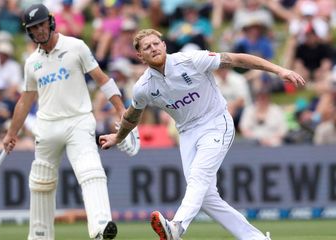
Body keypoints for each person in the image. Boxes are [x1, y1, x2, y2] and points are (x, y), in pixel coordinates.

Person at [99, 29, 306, 240]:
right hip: (187, 133)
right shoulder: (143, 87)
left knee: (198, 176)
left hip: (216, 121)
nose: (153, 48)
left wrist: (279, 70)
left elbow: (237, 59)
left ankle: (177, 227)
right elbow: (133, 114)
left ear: (164, 45)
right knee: (206, 197)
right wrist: (119, 137)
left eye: (155, 44)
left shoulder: (191, 60)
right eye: (147, 47)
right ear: (140, 56)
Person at [2, 4, 132, 240]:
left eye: (41, 24)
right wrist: (12, 133)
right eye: (33, 28)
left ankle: (101, 226)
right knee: (41, 180)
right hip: (47, 126)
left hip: (78, 121)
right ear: (29, 32)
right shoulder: (32, 62)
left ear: (50, 22)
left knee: (90, 169)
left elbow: (102, 79)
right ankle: (40, 235)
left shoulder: (76, 46)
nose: (39, 31)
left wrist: (121, 109)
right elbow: (25, 100)